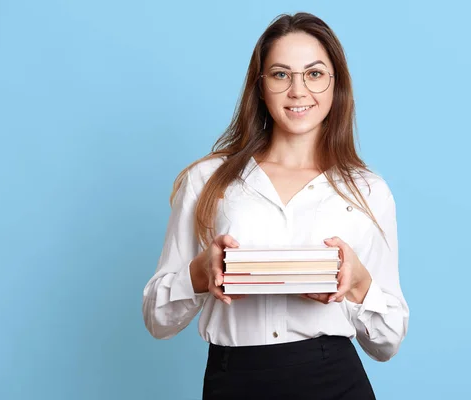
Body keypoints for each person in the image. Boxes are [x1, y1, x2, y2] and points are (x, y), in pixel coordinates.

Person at [142, 12, 409, 400]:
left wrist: (358, 283)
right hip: (234, 380)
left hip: (333, 378)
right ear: (260, 86)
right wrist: (200, 273)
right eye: (281, 74)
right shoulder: (207, 180)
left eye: (314, 74)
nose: (298, 91)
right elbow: (156, 320)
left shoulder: (368, 191)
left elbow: (387, 343)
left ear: (336, 86)